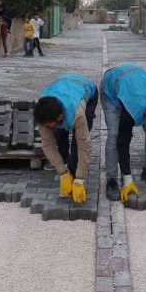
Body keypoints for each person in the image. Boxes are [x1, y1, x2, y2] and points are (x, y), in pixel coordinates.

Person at [101, 64, 146, 202]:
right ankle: (111, 181)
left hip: (136, 82)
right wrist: (128, 178)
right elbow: (123, 143)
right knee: (114, 134)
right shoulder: (130, 109)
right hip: (111, 87)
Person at [34, 74, 99, 204]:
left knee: (77, 142)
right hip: (60, 84)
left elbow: (84, 145)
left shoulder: (78, 114)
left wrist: (80, 178)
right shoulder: (42, 113)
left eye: (48, 124)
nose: (45, 127)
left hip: (87, 91)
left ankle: (74, 175)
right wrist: (62, 173)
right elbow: (48, 144)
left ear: (59, 117)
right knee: (58, 133)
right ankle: (65, 164)